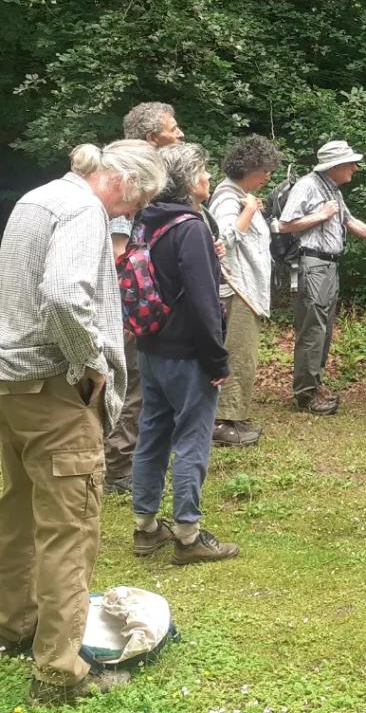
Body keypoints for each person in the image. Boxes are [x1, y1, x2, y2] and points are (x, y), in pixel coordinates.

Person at [0, 140, 165, 705]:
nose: (130, 213)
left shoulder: (37, 198)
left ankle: (16, 626)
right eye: (136, 202)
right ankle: (58, 670)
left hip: (9, 385)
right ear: (122, 183)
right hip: (52, 392)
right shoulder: (82, 211)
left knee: (18, 512)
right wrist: (91, 365)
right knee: (68, 528)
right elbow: (66, 296)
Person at [130, 143, 240, 565]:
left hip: (151, 347)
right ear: (190, 180)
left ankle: (145, 528)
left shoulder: (148, 218)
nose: (209, 178)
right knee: (192, 438)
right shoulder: (190, 226)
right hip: (187, 354)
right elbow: (202, 301)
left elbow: (165, 272)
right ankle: (188, 535)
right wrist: (216, 359)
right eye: (204, 172)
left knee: (152, 435)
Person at [278, 140, 366, 414]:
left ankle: (315, 384)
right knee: (313, 328)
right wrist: (320, 215)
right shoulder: (308, 186)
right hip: (313, 264)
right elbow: (284, 225)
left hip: (328, 266)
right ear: (334, 166)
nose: (355, 168)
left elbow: (351, 222)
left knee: (324, 327)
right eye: (350, 163)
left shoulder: (331, 188)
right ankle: (306, 394)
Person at [104, 101, 186, 494]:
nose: (180, 134)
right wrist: (130, 311)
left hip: (133, 305)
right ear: (152, 139)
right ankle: (118, 467)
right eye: (173, 128)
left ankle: (128, 459)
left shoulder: (138, 178)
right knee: (130, 383)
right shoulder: (127, 180)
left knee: (138, 384)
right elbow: (120, 254)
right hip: (125, 308)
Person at [208, 135, 283, 447]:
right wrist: (250, 211)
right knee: (239, 355)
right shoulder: (228, 198)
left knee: (244, 354)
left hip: (245, 291)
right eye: (265, 170)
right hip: (236, 291)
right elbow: (222, 239)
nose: (268, 176)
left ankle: (234, 415)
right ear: (250, 168)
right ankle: (224, 423)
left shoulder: (237, 194)